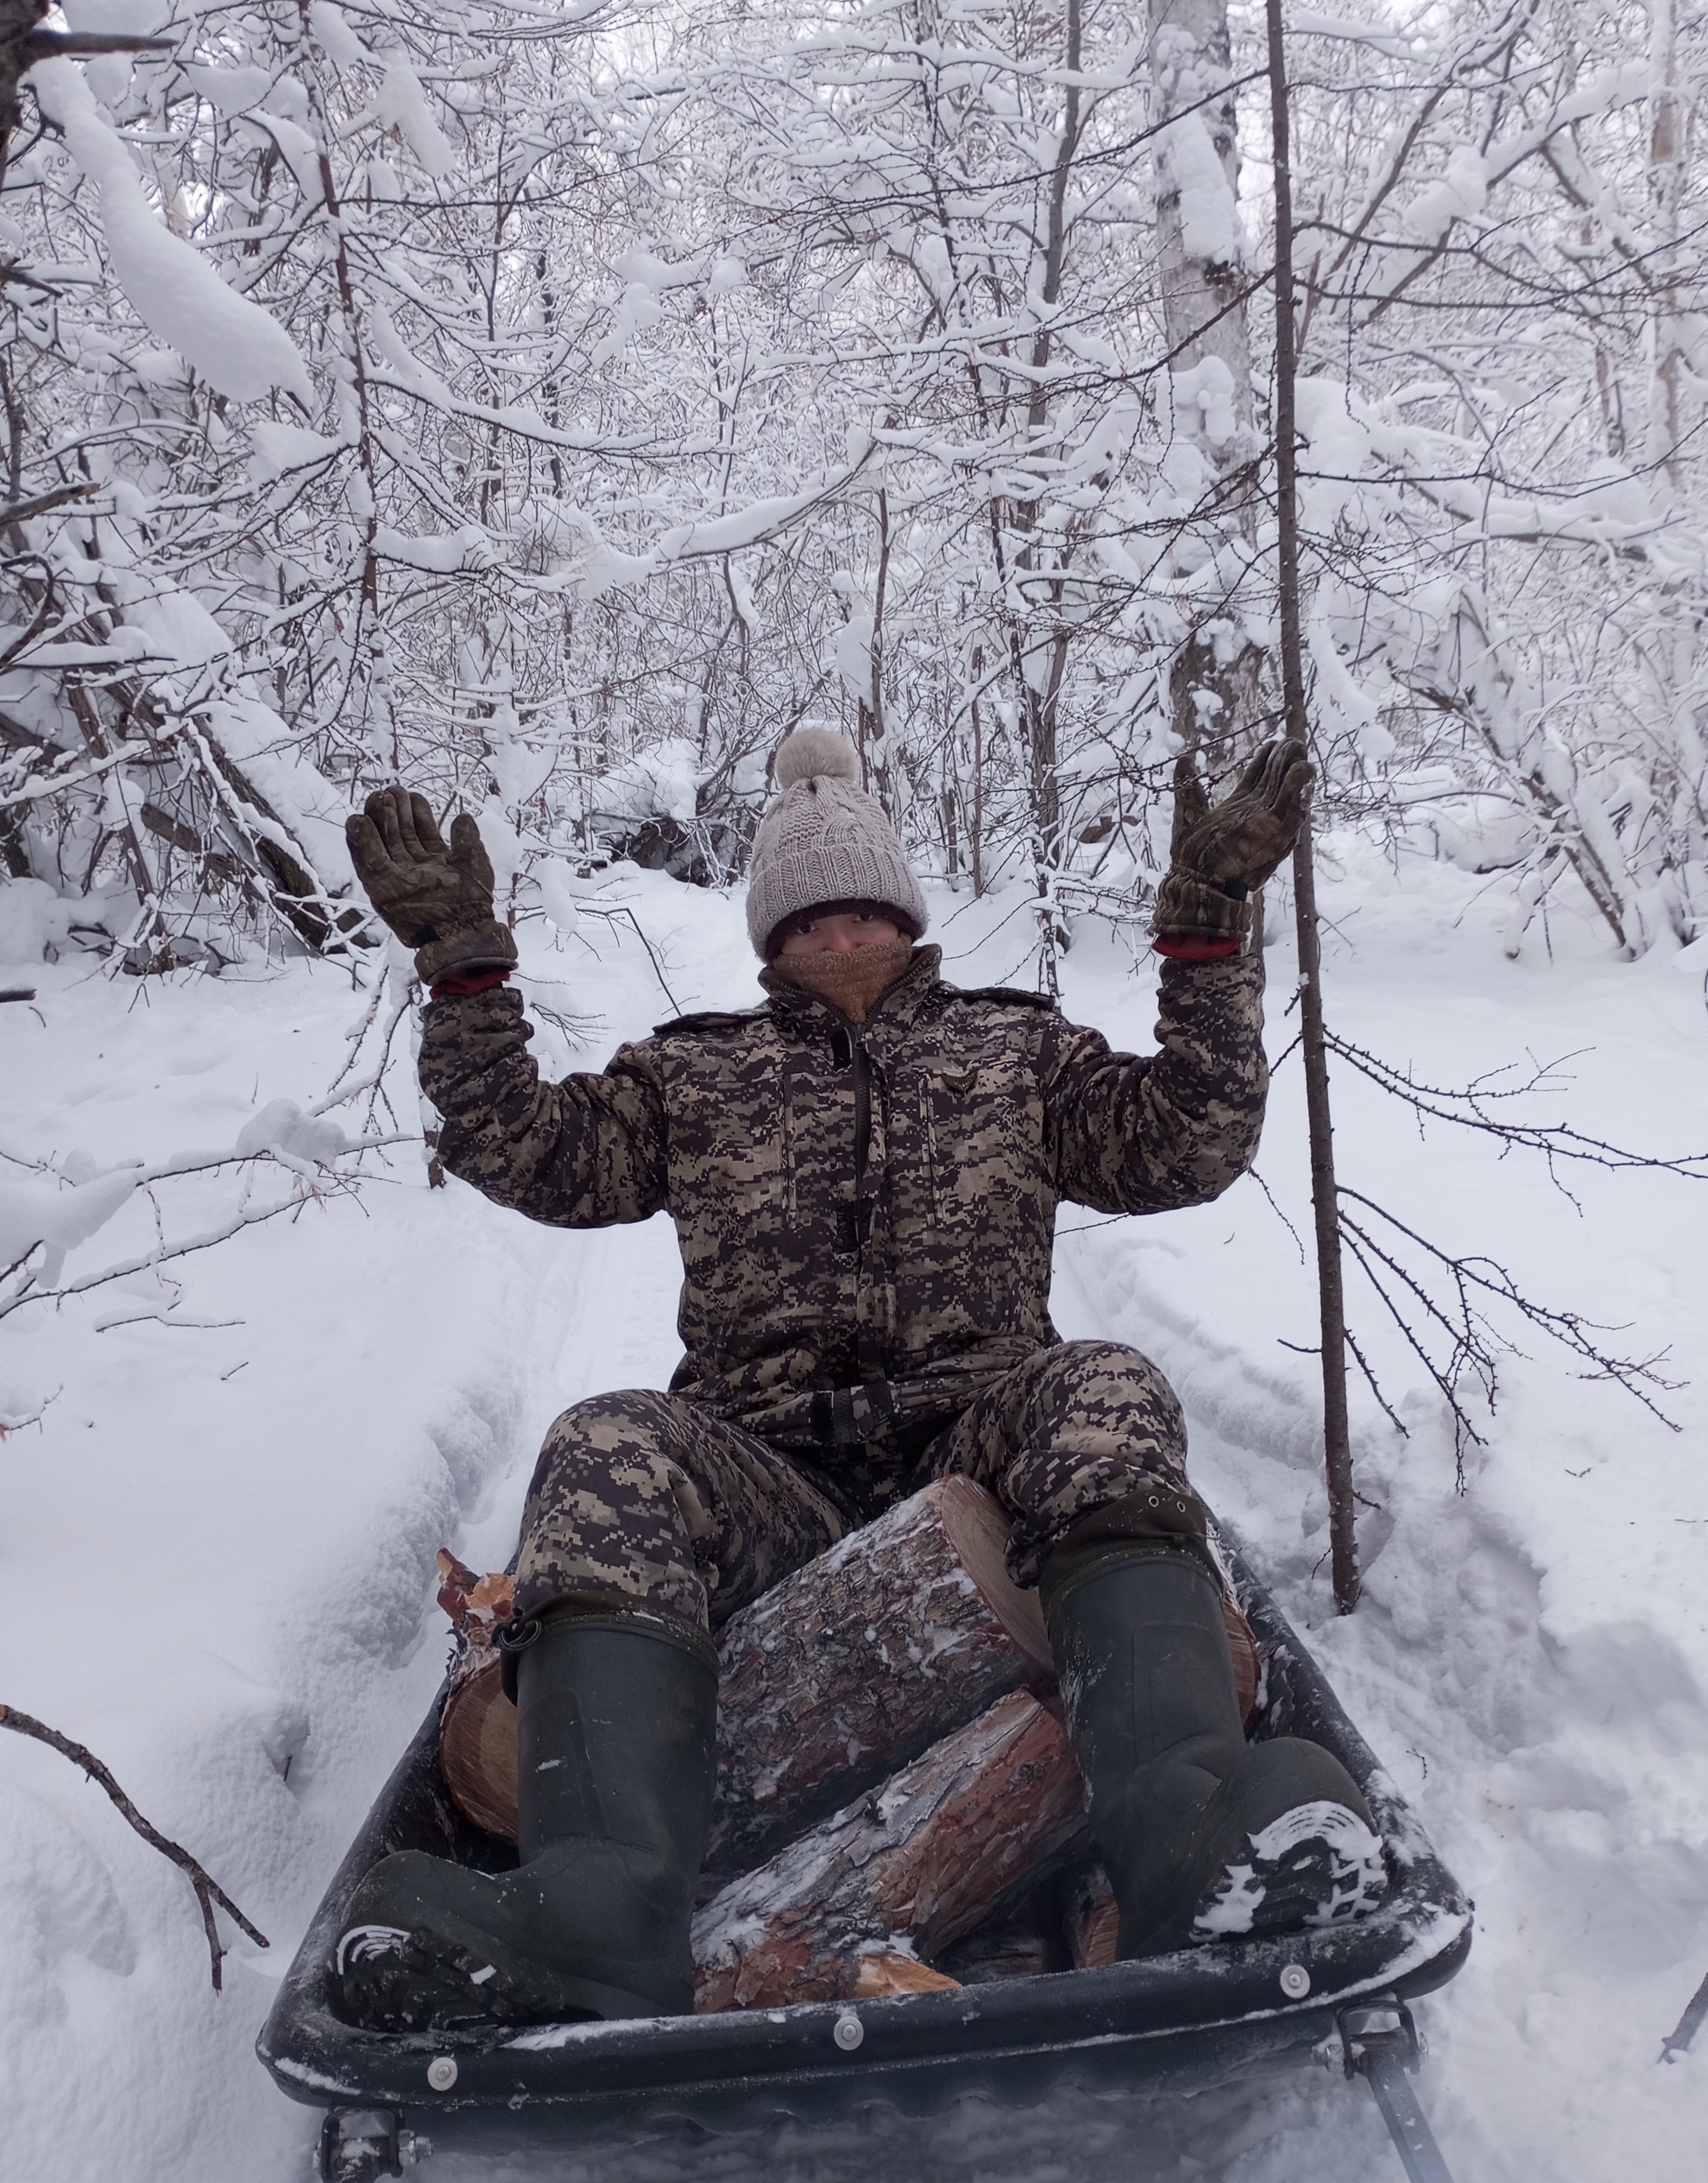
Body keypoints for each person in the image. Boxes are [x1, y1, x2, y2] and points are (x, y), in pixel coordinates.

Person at [331, 729, 1382, 2031]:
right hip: (770, 1478)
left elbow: (1187, 1143)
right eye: (813, 923)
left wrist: (1209, 931)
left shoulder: (1019, 1052)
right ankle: (595, 1920)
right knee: (607, 1442)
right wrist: (465, 977)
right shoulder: (697, 1072)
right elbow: (535, 1154)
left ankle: (1186, 1839)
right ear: (773, 939)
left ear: (908, 914)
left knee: (1105, 1385)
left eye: (865, 913)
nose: (842, 943)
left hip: (983, 1462)